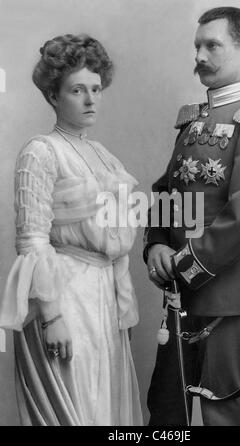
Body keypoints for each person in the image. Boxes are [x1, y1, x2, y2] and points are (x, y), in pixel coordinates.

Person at [144, 7, 240, 426]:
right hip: (179, 296)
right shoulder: (192, 123)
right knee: (167, 410)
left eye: (212, 45)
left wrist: (184, 264)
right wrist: (156, 241)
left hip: (229, 295)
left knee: (223, 412)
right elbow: (166, 192)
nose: (200, 56)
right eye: (197, 46)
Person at [0, 33, 143, 426]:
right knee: (77, 408)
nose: (90, 99)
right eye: (77, 90)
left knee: (108, 409)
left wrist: (121, 311)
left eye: (96, 88)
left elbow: (116, 242)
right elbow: (31, 238)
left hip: (104, 298)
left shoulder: (105, 157)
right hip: (63, 296)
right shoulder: (40, 151)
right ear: (53, 95)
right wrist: (51, 317)